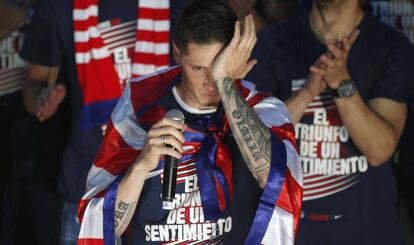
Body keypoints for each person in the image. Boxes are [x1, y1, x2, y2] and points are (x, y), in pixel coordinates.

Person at [77, 0, 303, 244]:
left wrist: (225, 82)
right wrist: (141, 165)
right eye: (198, 68)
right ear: (177, 53)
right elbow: (100, 224)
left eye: (217, 66)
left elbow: (276, 182)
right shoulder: (140, 104)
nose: (209, 81)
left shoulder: (262, 108)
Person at [20, 0, 188, 244]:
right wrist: (41, 100)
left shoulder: (179, 5)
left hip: (165, 189)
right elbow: (34, 80)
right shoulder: (59, 6)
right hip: (87, 188)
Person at [247, 0, 414, 244]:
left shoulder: (390, 46)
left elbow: (379, 150)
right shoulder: (273, 41)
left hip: (368, 231)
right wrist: (305, 94)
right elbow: (254, 146)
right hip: (287, 232)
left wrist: (341, 82)